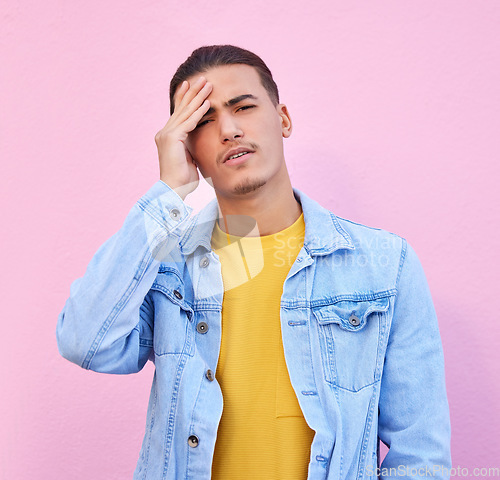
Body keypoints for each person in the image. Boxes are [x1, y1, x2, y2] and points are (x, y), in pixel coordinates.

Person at [56, 45, 451, 479]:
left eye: (242, 107)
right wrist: (168, 192)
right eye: (202, 121)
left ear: (283, 118)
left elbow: (420, 455)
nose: (228, 129)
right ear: (188, 149)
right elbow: (85, 341)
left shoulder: (383, 265)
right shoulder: (172, 267)